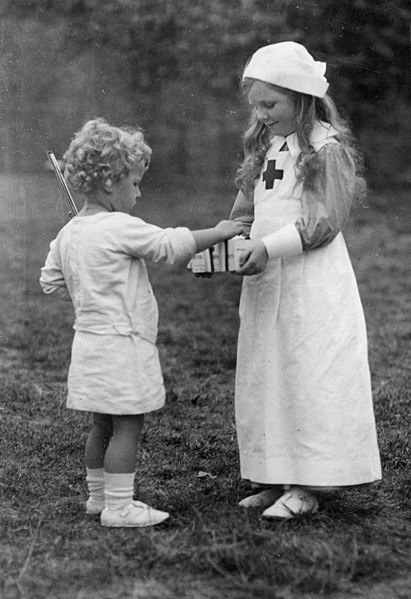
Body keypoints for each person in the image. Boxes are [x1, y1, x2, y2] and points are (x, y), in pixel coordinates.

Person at [40, 118, 244, 528]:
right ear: (111, 183)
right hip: (122, 345)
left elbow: (50, 282)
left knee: (102, 423)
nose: (139, 191)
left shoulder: (69, 234)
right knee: (128, 426)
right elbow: (170, 246)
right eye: (134, 183)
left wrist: (88, 285)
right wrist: (219, 231)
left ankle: (98, 498)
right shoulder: (119, 226)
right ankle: (119, 507)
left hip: (88, 345)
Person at [229, 41, 381, 519]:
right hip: (266, 283)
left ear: (301, 98)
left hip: (311, 285)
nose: (261, 114)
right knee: (266, 372)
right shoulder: (266, 147)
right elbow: (245, 213)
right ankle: (273, 476)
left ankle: (308, 483)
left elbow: (322, 224)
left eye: (269, 104)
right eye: (256, 105)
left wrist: (265, 247)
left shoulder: (326, 151)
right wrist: (226, 244)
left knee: (306, 373)